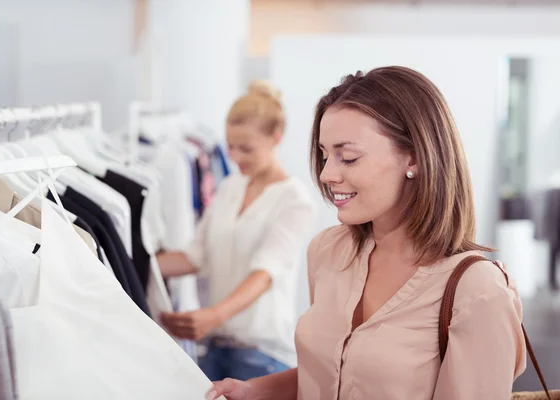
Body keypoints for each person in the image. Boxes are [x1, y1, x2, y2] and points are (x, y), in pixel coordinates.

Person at [206, 66, 527, 400]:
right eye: (325, 155)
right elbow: (337, 374)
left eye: (348, 157)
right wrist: (253, 390)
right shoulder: (328, 251)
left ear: (414, 158)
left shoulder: (478, 291)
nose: (327, 174)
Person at [156, 80, 317, 382]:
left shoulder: (294, 199)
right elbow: (195, 256)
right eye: (230, 146)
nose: (235, 157)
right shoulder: (230, 187)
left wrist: (213, 315)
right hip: (213, 348)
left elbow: (264, 273)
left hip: (262, 354)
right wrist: (125, 260)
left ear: (276, 138)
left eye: (246, 148)